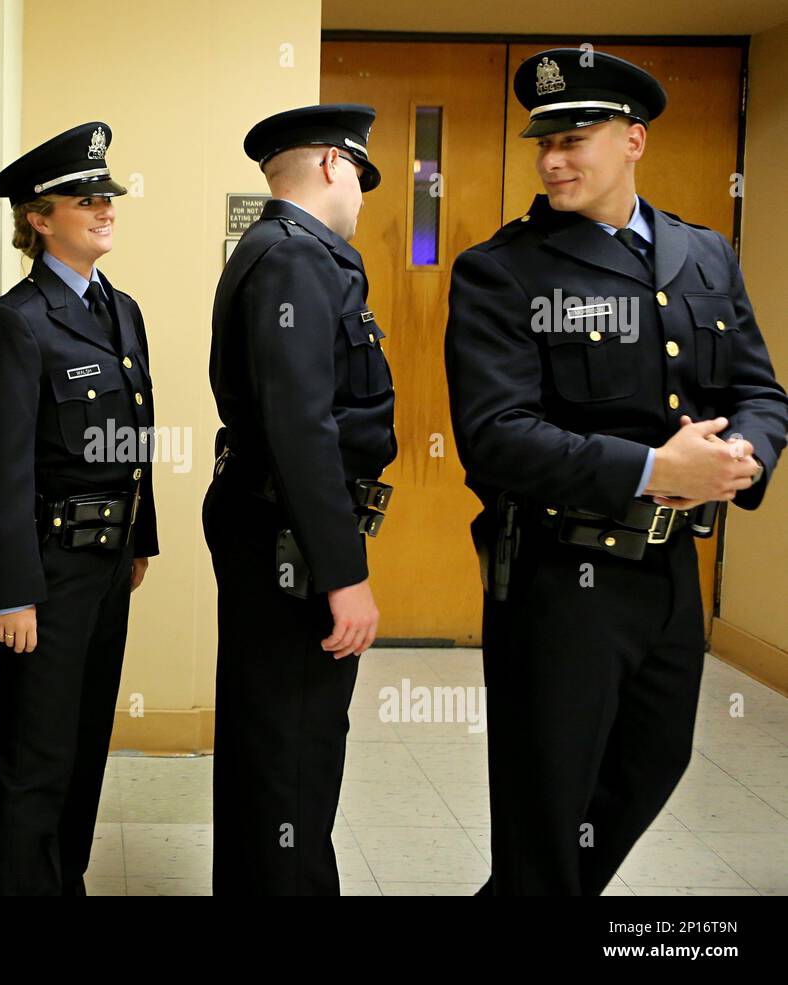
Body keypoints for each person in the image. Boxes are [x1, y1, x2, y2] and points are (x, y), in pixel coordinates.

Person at [445, 49, 788, 895]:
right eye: (543, 142)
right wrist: (650, 466)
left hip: (671, 570)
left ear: (633, 139)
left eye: (575, 136)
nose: (553, 158)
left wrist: (744, 455)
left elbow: (760, 390)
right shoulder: (505, 269)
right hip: (561, 576)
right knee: (546, 802)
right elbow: (496, 436)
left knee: (652, 762)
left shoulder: (705, 253)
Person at [205, 104, 396, 894]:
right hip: (291, 535)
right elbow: (301, 428)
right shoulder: (295, 258)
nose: (360, 192)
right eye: (359, 172)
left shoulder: (286, 253)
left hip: (276, 525)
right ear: (329, 164)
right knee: (293, 749)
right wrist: (342, 572)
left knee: (272, 741)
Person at [0, 122, 158, 895]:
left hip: (108, 566)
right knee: (36, 755)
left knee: (84, 745)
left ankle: (62, 881)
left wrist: (139, 539)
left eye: (107, 193)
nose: (105, 207)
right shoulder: (14, 321)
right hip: (45, 574)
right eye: (86, 198)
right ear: (39, 219)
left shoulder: (124, 309)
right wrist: (10, 587)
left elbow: (134, 436)